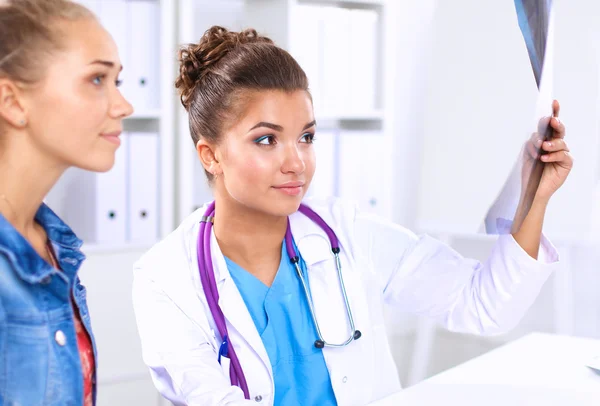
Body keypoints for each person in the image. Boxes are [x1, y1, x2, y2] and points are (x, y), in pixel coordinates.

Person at [132, 26, 572, 406]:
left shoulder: (346, 232)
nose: (296, 162)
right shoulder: (166, 279)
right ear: (210, 156)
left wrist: (534, 198)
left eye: (305, 137)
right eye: (266, 140)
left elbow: (483, 305)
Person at [0, 1, 133, 404]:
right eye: (96, 79)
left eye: (117, 81)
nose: (123, 106)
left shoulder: (55, 246)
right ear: (13, 102)